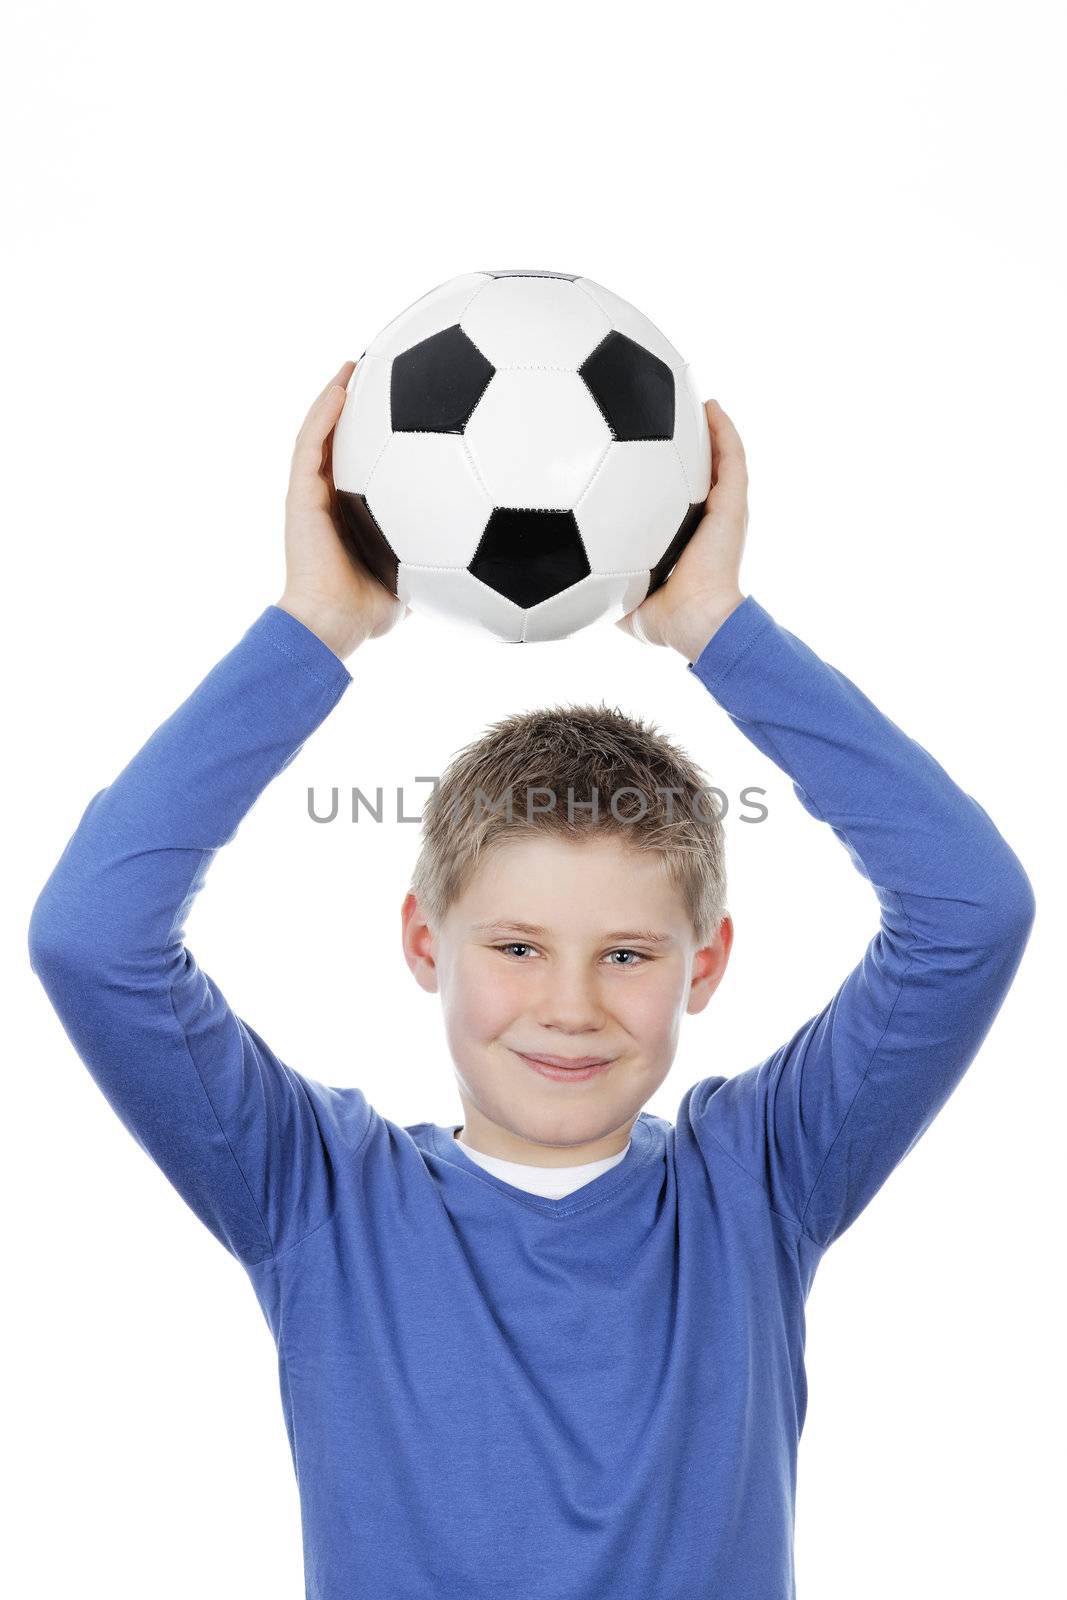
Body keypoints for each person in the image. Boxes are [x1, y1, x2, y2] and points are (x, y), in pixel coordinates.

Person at [27, 361, 1036, 1599]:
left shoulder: (759, 1181)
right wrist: (313, 626)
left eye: (626, 954)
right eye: (514, 947)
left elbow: (969, 909)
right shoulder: (317, 1195)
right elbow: (92, 935)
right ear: (421, 944)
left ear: (704, 963)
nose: (569, 1005)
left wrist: (716, 630)